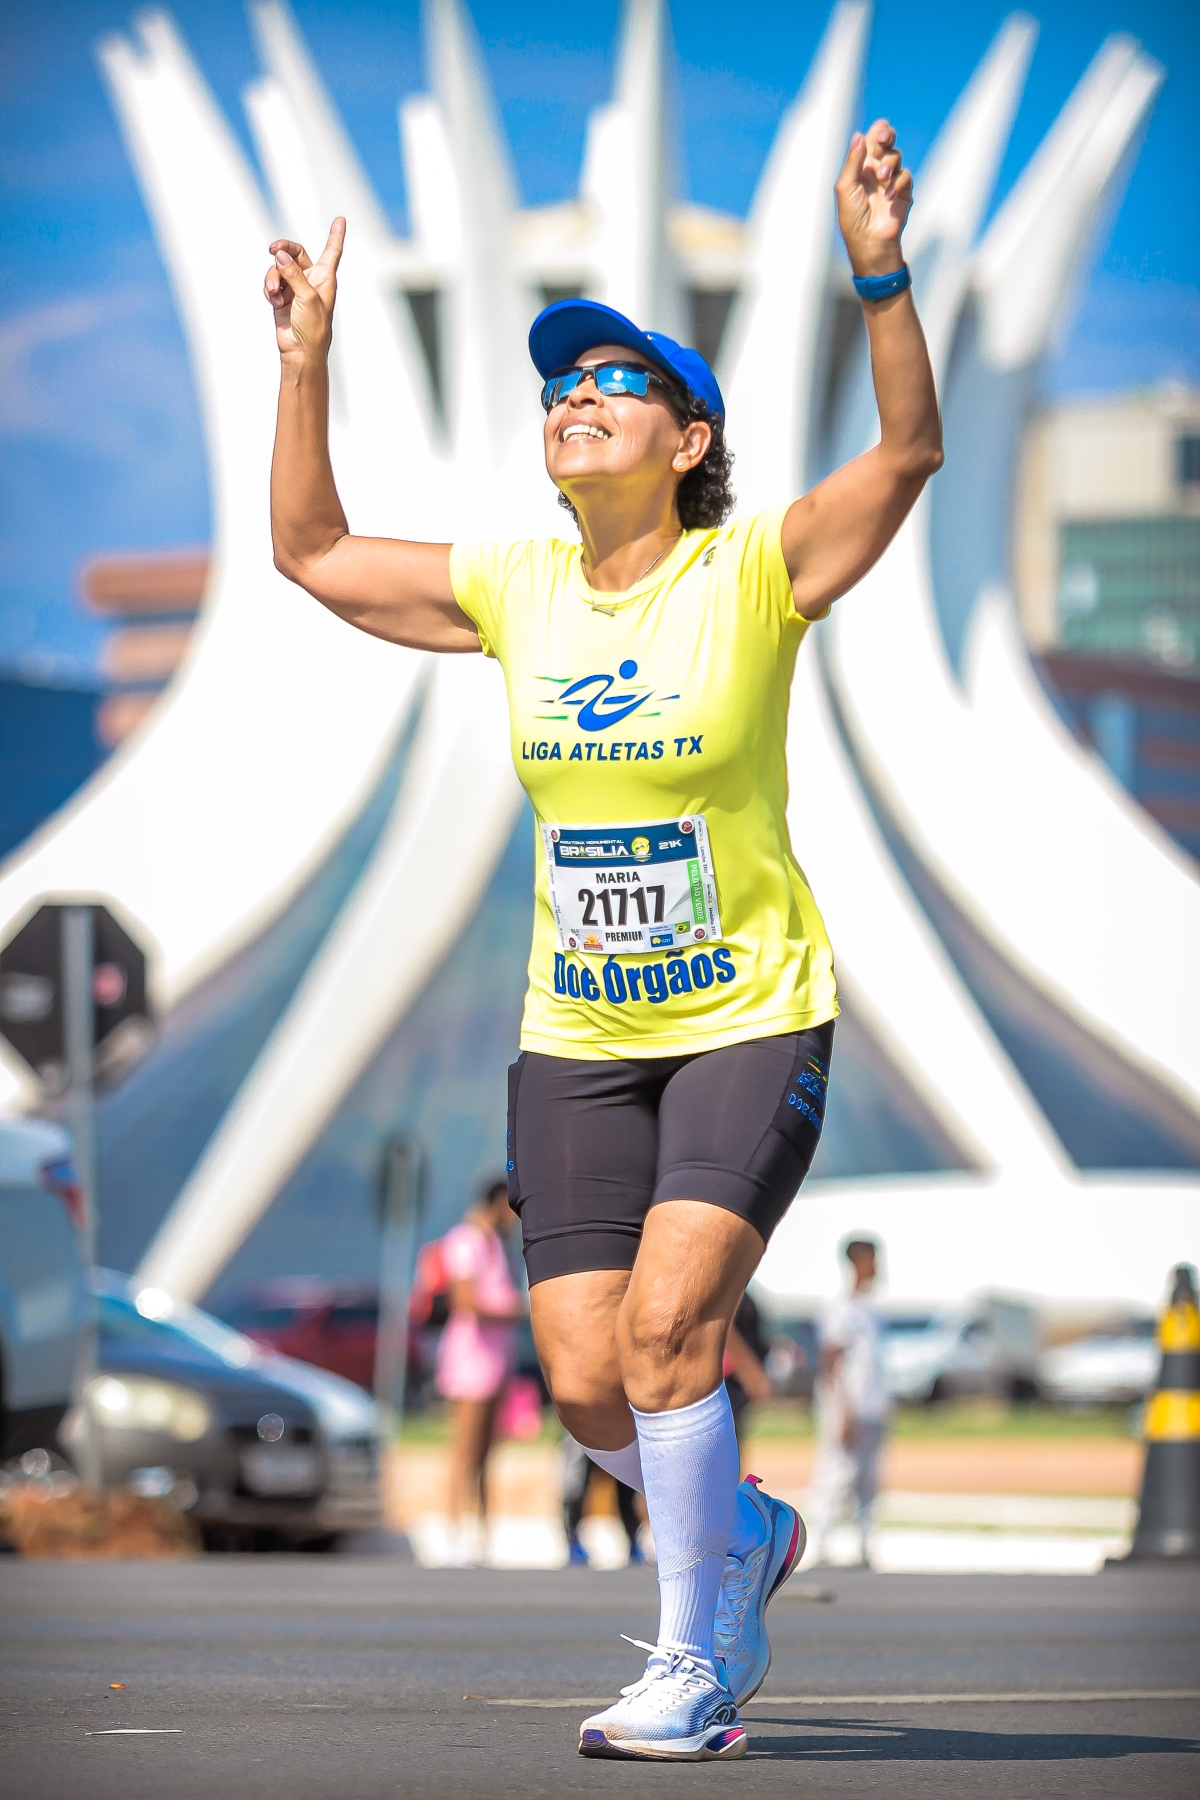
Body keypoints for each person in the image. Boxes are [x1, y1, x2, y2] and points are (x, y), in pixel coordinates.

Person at [264, 116, 940, 1761]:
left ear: (688, 434)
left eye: (612, 383)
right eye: (559, 385)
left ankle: (693, 1654)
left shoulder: (755, 569)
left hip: (747, 1011)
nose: (572, 396)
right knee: (586, 1388)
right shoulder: (515, 584)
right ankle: (749, 1533)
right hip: (578, 1033)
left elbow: (908, 454)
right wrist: (307, 362)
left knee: (664, 1337)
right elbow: (313, 554)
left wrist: (876, 271)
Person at [434, 1179, 526, 1565]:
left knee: (487, 1453)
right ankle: (454, 1529)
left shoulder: (496, 1244)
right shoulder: (465, 1240)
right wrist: (517, 1311)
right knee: (465, 1449)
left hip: (495, 1359)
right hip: (469, 1359)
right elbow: (465, 1300)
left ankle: (483, 1532)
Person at [809, 1237, 892, 1567]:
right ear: (856, 1261)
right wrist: (843, 1410)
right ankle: (822, 1543)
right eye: (870, 1259)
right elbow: (831, 1362)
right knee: (835, 1473)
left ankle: (864, 1545)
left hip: (874, 1406)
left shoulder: (871, 1311)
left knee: (869, 1478)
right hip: (848, 1407)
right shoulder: (840, 1309)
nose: (876, 1267)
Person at [561, 1433, 645, 1566]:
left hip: (620, 1422)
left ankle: (633, 1538)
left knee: (627, 1476)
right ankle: (572, 1538)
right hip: (583, 1421)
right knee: (576, 1479)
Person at [723, 1292, 774, 1451]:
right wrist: (752, 1375)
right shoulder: (728, 1284)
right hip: (727, 1387)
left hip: (732, 1387)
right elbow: (723, 1327)